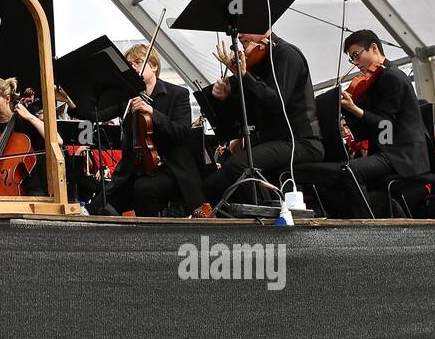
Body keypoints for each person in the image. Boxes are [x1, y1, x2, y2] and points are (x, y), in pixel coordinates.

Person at [304, 30, 428, 218]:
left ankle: (366, 227)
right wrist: (345, 108)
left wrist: (354, 109)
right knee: (332, 174)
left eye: (356, 55)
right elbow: (366, 128)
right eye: (351, 59)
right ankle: (369, 214)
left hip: (402, 154)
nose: (355, 63)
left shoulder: (392, 77)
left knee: (350, 171)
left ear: (374, 48)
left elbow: (386, 125)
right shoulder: (375, 81)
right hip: (387, 152)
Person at [203, 29, 323, 205]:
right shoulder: (257, 63)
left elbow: (277, 102)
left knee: (240, 165)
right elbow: (250, 116)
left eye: (244, 30)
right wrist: (227, 97)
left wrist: (245, 76)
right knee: (212, 185)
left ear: (264, 28)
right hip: (272, 142)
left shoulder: (286, 54)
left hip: (300, 142)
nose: (239, 36)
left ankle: (264, 217)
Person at [103, 44, 210, 218]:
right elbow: (99, 113)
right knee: (99, 205)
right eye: (129, 64)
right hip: (137, 167)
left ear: (153, 66)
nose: (133, 67)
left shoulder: (178, 94)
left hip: (171, 168)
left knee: (143, 189)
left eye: (138, 62)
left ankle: (153, 236)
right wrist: (71, 102)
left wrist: (152, 112)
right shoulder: (127, 95)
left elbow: (182, 132)